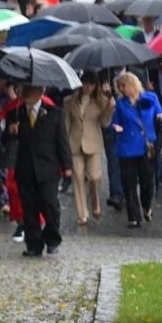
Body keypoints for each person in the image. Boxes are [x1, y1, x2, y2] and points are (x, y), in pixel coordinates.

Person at [2, 85, 73, 256]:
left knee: (50, 204)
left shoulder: (54, 113)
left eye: (30, 89)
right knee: (29, 208)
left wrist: (67, 166)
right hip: (25, 168)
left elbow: (62, 141)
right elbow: (5, 141)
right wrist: (11, 132)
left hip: (47, 167)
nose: (25, 92)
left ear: (41, 92)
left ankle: (52, 239)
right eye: (25, 89)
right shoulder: (16, 113)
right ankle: (34, 244)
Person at [112, 71, 162, 227]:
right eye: (119, 86)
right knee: (129, 183)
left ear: (133, 85)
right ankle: (133, 217)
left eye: (124, 85)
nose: (122, 89)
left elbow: (161, 115)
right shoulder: (120, 103)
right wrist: (115, 127)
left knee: (148, 181)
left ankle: (146, 206)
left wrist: (161, 118)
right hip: (127, 147)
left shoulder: (150, 98)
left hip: (146, 146)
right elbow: (114, 123)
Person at [63, 80, 115, 226]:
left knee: (94, 177)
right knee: (78, 177)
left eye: (92, 84)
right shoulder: (69, 101)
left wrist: (109, 109)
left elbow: (105, 123)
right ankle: (82, 214)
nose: (88, 87)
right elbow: (66, 124)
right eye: (86, 83)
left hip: (93, 144)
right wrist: (64, 145)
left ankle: (95, 202)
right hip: (75, 143)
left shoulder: (102, 101)